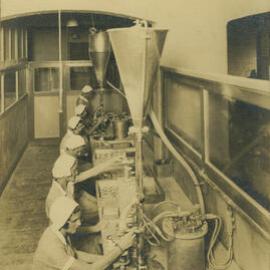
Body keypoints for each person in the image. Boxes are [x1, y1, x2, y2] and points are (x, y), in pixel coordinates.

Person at [33, 196, 135, 270]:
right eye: (75, 220)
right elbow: (91, 269)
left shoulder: (58, 232)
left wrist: (107, 259)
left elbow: (75, 254)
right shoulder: (52, 248)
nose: (80, 223)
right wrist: (121, 247)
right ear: (64, 223)